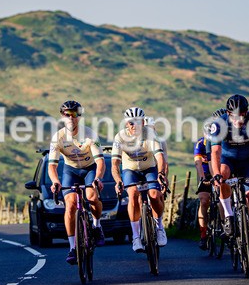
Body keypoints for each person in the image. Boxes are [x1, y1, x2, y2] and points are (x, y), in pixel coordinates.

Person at [208, 94, 249, 268]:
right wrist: (216, 174)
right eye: (235, 115)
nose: (239, 119)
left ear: (246, 112)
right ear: (228, 113)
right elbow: (215, 152)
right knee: (222, 175)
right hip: (227, 160)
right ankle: (228, 215)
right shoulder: (219, 124)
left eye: (242, 114)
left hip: (248, 163)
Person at [47, 100, 107, 265]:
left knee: (92, 196)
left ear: (79, 116)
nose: (71, 118)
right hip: (71, 171)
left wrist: (98, 178)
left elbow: (100, 162)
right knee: (71, 204)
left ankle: (96, 226)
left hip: (89, 169)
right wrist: (55, 182)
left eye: (74, 114)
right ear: (62, 116)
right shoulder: (58, 137)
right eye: (67, 114)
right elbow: (52, 166)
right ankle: (73, 247)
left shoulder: (90, 134)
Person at [111, 106, 168, 253]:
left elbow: (160, 157)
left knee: (154, 195)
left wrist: (161, 174)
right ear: (126, 123)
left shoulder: (150, 134)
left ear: (143, 122)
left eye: (137, 122)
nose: (134, 126)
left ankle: (159, 227)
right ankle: (136, 237)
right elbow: (115, 163)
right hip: (130, 170)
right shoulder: (120, 137)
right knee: (133, 194)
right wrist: (118, 180)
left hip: (149, 168)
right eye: (131, 123)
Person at [195, 108, 226, 250]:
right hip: (206, 172)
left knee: (223, 198)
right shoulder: (202, 143)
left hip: (222, 171)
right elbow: (198, 163)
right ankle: (203, 234)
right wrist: (203, 178)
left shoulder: (228, 139)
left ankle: (226, 225)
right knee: (204, 200)